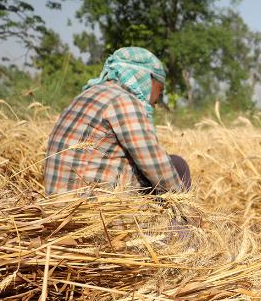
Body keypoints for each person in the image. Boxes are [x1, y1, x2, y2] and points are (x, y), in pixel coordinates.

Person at [44, 47, 191, 195]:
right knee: (177, 165)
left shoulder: (87, 94)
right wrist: (183, 204)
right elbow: (157, 166)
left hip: (60, 206)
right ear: (148, 79)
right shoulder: (123, 101)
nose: (157, 100)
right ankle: (178, 219)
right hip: (92, 208)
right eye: (160, 90)